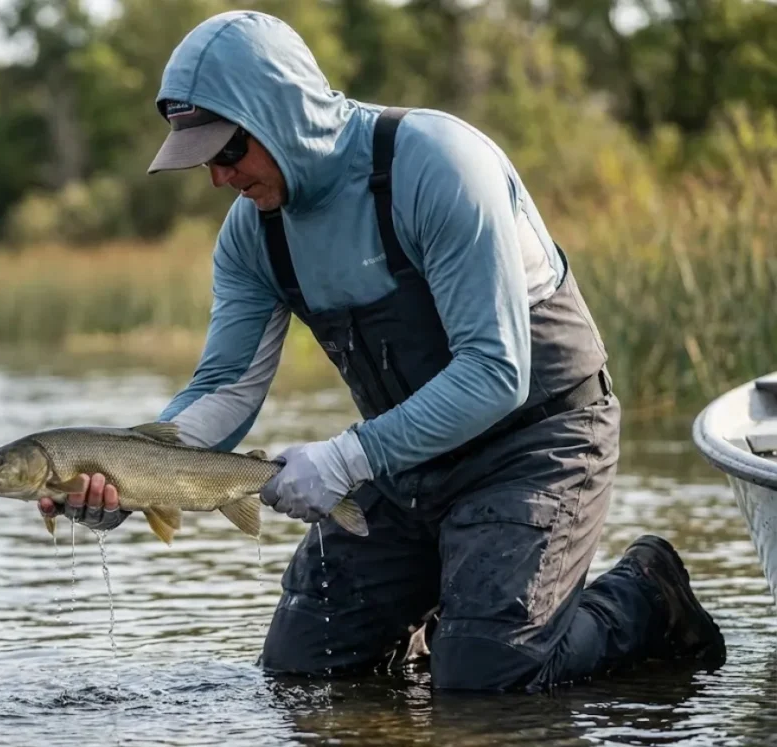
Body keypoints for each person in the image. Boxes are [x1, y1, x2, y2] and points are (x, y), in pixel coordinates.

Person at [37, 11, 726, 691]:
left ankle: (644, 595)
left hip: (538, 441)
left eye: (227, 151)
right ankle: (444, 620)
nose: (220, 178)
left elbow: (496, 373)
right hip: (407, 465)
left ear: (281, 115)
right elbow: (226, 389)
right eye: (203, 161)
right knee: (303, 666)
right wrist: (127, 473)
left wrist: (345, 457)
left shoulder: (437, 164)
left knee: (488, 678)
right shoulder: (252, 237)